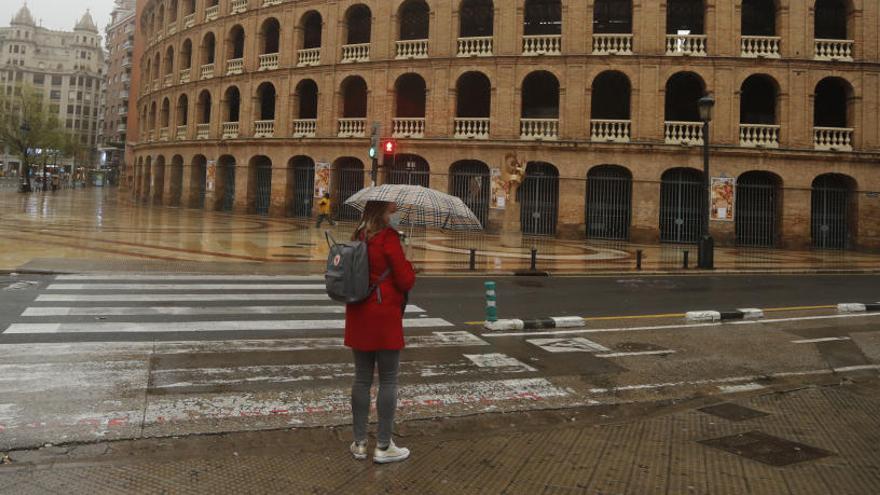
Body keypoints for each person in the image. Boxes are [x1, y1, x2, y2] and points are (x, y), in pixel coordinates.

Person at [345, 200, 416, 464]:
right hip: (384, 315)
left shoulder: (357, 235)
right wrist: (407, 259)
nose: (393, 215)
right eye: (391, 211)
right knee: (388, 380)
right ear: (382, 212)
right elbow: (405, 280)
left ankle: (360, 443)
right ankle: (384, 446)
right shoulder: (388, 239)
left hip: (359, 313)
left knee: (362, 378)